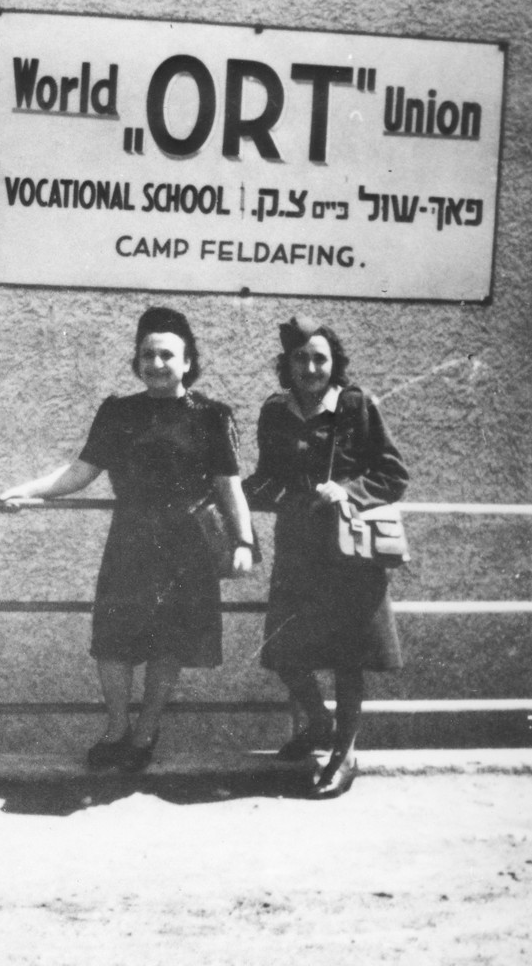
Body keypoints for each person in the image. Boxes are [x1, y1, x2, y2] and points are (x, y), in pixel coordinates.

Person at [0, 307, 255, 773]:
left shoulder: (214, 417)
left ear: (188, 361)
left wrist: (244, 542)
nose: (156, 364)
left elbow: (228, 485)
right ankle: (116, 729)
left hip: (186, 545)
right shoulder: (119, 411)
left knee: (167, 646)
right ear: (136, 361)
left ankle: (146, 733)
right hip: (132, 540)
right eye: (147, 355)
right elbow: (81, 471)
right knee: (113, 642)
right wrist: (27, 489)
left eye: (167, 355)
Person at [244, 316, 409, 799]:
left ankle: (345, 751)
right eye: (302, 357)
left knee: (348, 656)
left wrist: (349, 490)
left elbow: (394, 473)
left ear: (334, 362)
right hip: (297, 546)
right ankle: (319, 722)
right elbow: (268, 476)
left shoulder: (355, 404)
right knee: (285, 650)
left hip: (349, 549)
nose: (311, 366)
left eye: (321, 358)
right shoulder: (275, 411)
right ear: (287, 363)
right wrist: (226, 491)